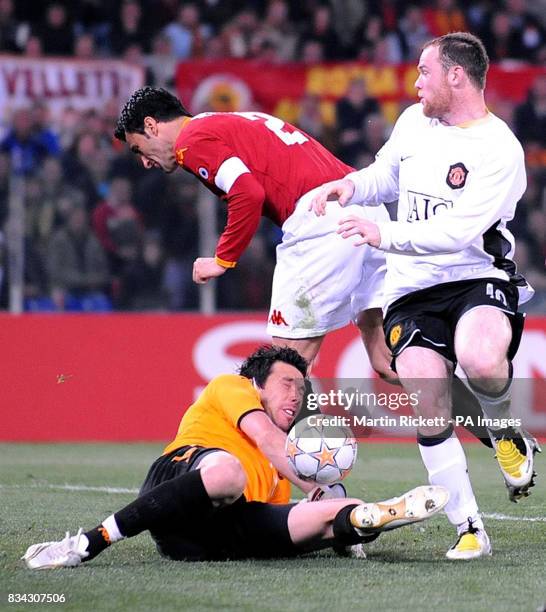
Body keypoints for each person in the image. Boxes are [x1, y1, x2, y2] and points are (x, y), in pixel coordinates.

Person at [310, 32, 540, 560]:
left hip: (476, 275)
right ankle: (470, 529)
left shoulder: (499, 149)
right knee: (427, 398)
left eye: (424, 73)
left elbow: (458, 232)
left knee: (482, 360)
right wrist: (351, 186)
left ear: (456, 75)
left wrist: (383, 236)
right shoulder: (414, 122)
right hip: (412, 287)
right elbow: (384, 176)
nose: (416, 83)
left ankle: (503, 428)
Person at [22, 346, 449, 568]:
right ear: (258, 384)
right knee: (230, 472)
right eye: (286, 384)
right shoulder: (233, 386)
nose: (295, 396)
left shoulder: (283, 470)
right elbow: (263, 438)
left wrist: (331, 511)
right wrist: (315, 483)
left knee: (319, 515)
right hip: (181, 481)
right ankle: (87, 543)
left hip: (209, 540)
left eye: (301, 391)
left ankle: (365, 518)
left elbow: (280, 510)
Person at [113, 86, 392, 377]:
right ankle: (442, 409)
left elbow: (247, 193)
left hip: (322, 218)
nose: (144, 162)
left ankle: (307, 426)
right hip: (364, 207)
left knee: (284, 368)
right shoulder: (229, 121)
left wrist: (222, 259)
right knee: (386, 360)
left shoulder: (190, 142)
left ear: (151, 125)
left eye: (138, 149)